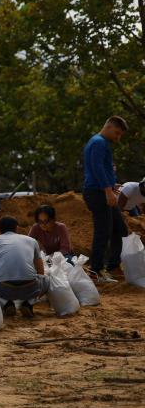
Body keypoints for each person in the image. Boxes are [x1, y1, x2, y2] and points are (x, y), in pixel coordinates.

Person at [83, 116, 128, 283]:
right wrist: (108, 191)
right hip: (98, 193)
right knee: (103, 231)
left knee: (119, 228)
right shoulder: (98, 142)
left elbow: (100, 168)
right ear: (108, 126)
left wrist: (111, 184)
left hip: (102, 189)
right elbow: (97, 168)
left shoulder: (99, 143)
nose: (118, 138)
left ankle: (112, 267)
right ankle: (96, 271)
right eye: (117, 133)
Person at [0, 217, 46, 318]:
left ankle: (6, 304)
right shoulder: (32, 241)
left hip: (4, 289)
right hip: (30, 288)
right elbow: (40, 270)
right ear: (17, 228)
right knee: (47, 280)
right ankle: (28, 303)